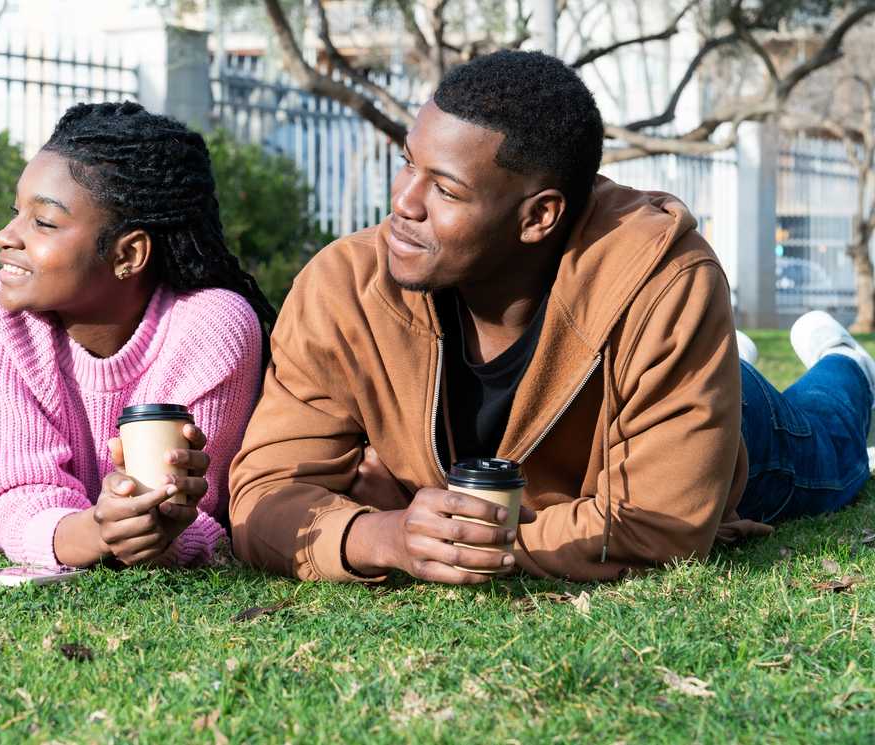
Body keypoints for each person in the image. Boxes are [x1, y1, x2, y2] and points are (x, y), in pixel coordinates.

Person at [228, 50, 875, 584]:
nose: (404, 201)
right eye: (407, 163)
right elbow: (266, 490)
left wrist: (463, 539)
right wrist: (385, 535)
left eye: (446, 189)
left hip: (737, 438)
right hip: (650, 405)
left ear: (539, 216)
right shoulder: (344, 286)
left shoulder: (666, 280)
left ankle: (850, 364)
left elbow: (659, 523)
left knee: (831, 438)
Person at [0, 101, 274, 569]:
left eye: (44, 222)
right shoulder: (0, 313)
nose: (5, 235)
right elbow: (12, 494)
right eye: (15, 213)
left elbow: (197, 512)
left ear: (128, 254)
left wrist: (154, 528)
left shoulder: (212, 328)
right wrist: (95, 532)